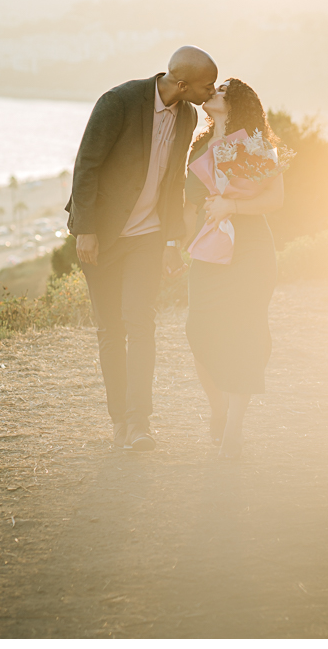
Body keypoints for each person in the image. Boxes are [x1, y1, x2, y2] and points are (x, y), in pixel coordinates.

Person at [66, 46, 218, 451]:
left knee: (141, 323)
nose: (211, 92)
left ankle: (139, 424)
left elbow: (172, 182)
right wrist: (87, 230)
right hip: (101, 235)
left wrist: (171, 241)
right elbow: (87, 166)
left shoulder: (185, 115)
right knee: (111, 330)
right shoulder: (118, 102)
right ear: (182, 84)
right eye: (207, 86)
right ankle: (120, 420)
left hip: (147, 239)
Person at [183, 78, 285, 460]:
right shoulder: (198, 145)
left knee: (245, 332)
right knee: (199, 330)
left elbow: (275, 199)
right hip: (209, 245)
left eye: (223, 90)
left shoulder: (256, 144)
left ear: (237, 103)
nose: (214, 92)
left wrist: (233, 207)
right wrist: (174, 245)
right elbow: (190, 203)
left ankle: (234, 429)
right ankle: (219, 407)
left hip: (251, 248)